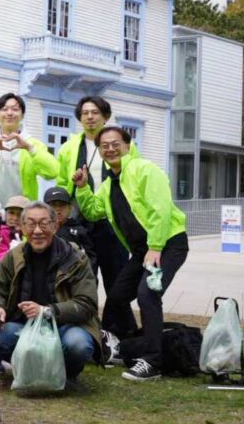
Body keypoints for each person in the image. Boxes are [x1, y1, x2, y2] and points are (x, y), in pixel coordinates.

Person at [73, 126, 189, 381]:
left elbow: (161, 210)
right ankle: (120, 347)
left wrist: (156, 247)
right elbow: (93, 212)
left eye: (116, 144)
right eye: (104, 146)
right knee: (117, 295)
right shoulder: (108, 185)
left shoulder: (145, 169)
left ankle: (152, 361)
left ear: (127, 145)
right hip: (141, 251)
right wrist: (82, 188)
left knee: (148, 294)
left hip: (167, 244)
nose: (110, 149)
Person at [0, 201, 100, 388]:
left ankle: (67, 374)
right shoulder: (14, 256)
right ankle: (26, 368)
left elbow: (87, 303)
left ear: (55, 226)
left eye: (44, 224)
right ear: (21, 228)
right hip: (22, 325)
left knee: (78, 344)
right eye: (30, 224)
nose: (37, 231)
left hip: (65, 326)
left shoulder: (75, 257)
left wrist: (46, 311)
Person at [55, 96, 138, 337]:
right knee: (83, 277)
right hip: (80, 221)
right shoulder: (70, 147)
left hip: (112, 220)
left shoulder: (122, 144)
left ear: (106, 116)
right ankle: (86, 329)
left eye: (95, 112)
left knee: (117, 278)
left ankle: (120, 332)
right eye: (85, 113)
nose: (90, 117)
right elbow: (62, 182)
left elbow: (133, 176)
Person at [0, 93, 58, 202]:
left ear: (22, 115)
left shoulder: (33, 144)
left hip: (22, 209)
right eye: (4, 109)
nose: (9, 113)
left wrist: (30, 149)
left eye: (15, 109)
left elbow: (52, 173)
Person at [43, 186, 97, 274]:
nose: (58, 209)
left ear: (70, 208)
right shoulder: (39, 231)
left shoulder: (80, 231)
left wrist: (89, 279)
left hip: (74, 277)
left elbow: (90, 260)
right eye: (53, 205)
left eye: (62, 205)